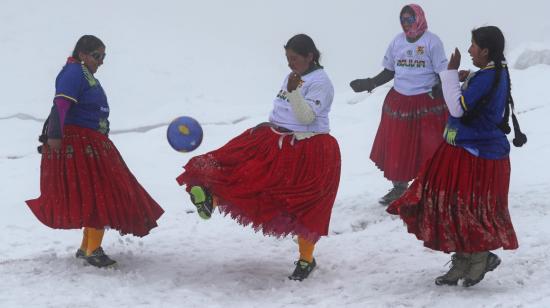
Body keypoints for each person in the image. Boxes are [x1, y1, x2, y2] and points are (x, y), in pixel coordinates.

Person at [176, 34, 341, 281]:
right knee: (243, 171)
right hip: (277, 137)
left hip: (309, 149)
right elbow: (282, 105)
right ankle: (212, 197)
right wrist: (270, 123)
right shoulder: (293, 77)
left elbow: (306, 117)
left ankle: (306, 260)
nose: (289, 64)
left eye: (294, 58)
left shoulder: (321, 83)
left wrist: (295, 92)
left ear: (310, 56)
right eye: (287, 58)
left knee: (303, 206)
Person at [387, 26, 527, 287]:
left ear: (486, 50)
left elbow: (457, 109)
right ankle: (465, 259)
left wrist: (450, 74)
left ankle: (479, 257)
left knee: (465, 207)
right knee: (455, 205)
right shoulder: (492, 72)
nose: (470, 50)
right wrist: (467, 79)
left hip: (477, 152)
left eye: (473, 45)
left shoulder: (488, 77)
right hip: (468, 148)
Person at [26, 35, 164, 268]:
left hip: (91, 142)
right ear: (82, 55)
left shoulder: (83, 74)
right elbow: (61, 103)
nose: (101, 61)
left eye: (104, 57)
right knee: (101, 190)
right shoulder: (73, 72)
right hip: (80, 142)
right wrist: (55, 135)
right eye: (97, 56)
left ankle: (86, 247)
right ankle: (93, 250)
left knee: (95, 193)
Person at [349, 4, 448, 205]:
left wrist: (441, 86)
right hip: (400, 102)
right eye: (403, 19)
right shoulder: (397, 42)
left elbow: (442, 72)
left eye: (410, 19)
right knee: (399, 145)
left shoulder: (432, 42)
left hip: (426, 102)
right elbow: (390, 70)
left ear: (419, 18)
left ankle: (429, 188)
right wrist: (370, 82)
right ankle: (400, 188)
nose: (406, 23)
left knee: (427, 146)